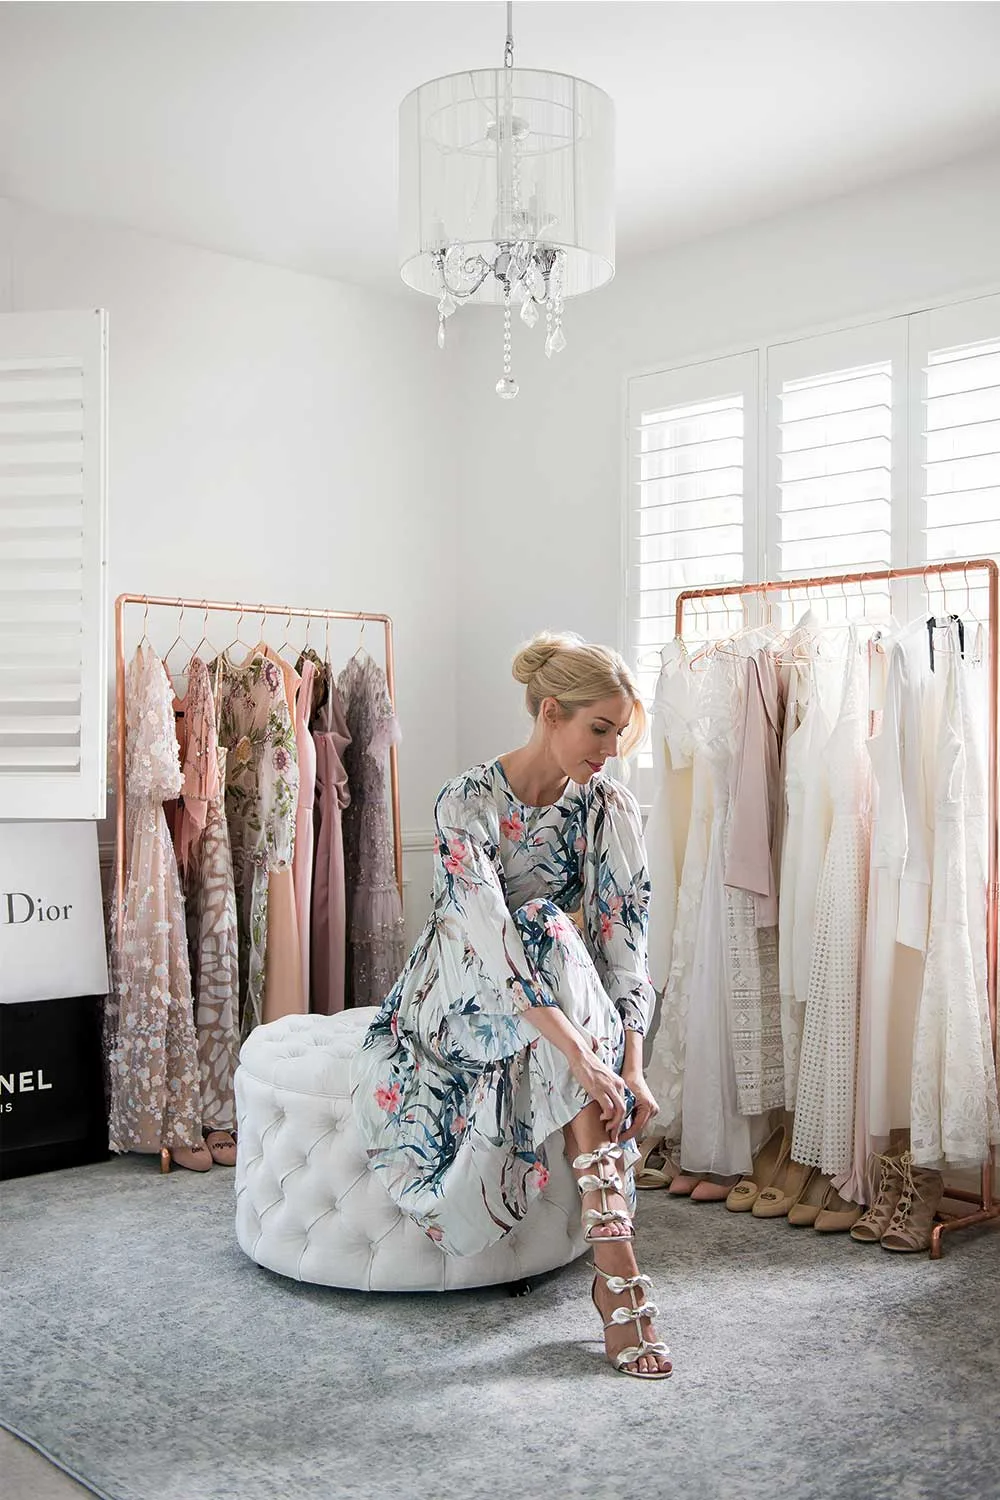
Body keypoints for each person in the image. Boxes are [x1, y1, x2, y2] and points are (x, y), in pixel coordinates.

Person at [352, 632, 671, 1379]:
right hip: (461, 990)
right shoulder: (466, 802)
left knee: (559, 940)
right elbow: (492, 942)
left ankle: (614, 1264)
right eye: (599, 729)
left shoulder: (607, 807)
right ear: (551, 713)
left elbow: (627, 941)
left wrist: (629, 1065)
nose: (611, 750)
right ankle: (618, 1273)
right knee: (540, 929)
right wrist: (583, 1057)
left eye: (619, 734)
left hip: (564, 997)